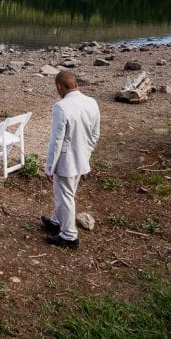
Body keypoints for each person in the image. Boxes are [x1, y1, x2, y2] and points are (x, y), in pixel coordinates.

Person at [42, 70, 101, 248]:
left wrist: (49, 166)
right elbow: (95, 134)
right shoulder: (91, 102)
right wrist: (86, 152)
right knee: (67, 193)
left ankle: (69, 235)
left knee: (65, 196)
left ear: (60, 87)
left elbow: (56, 140)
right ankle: (57, 220)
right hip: (82, 156)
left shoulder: (61, 107)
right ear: (75, 84)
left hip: (67, 160)